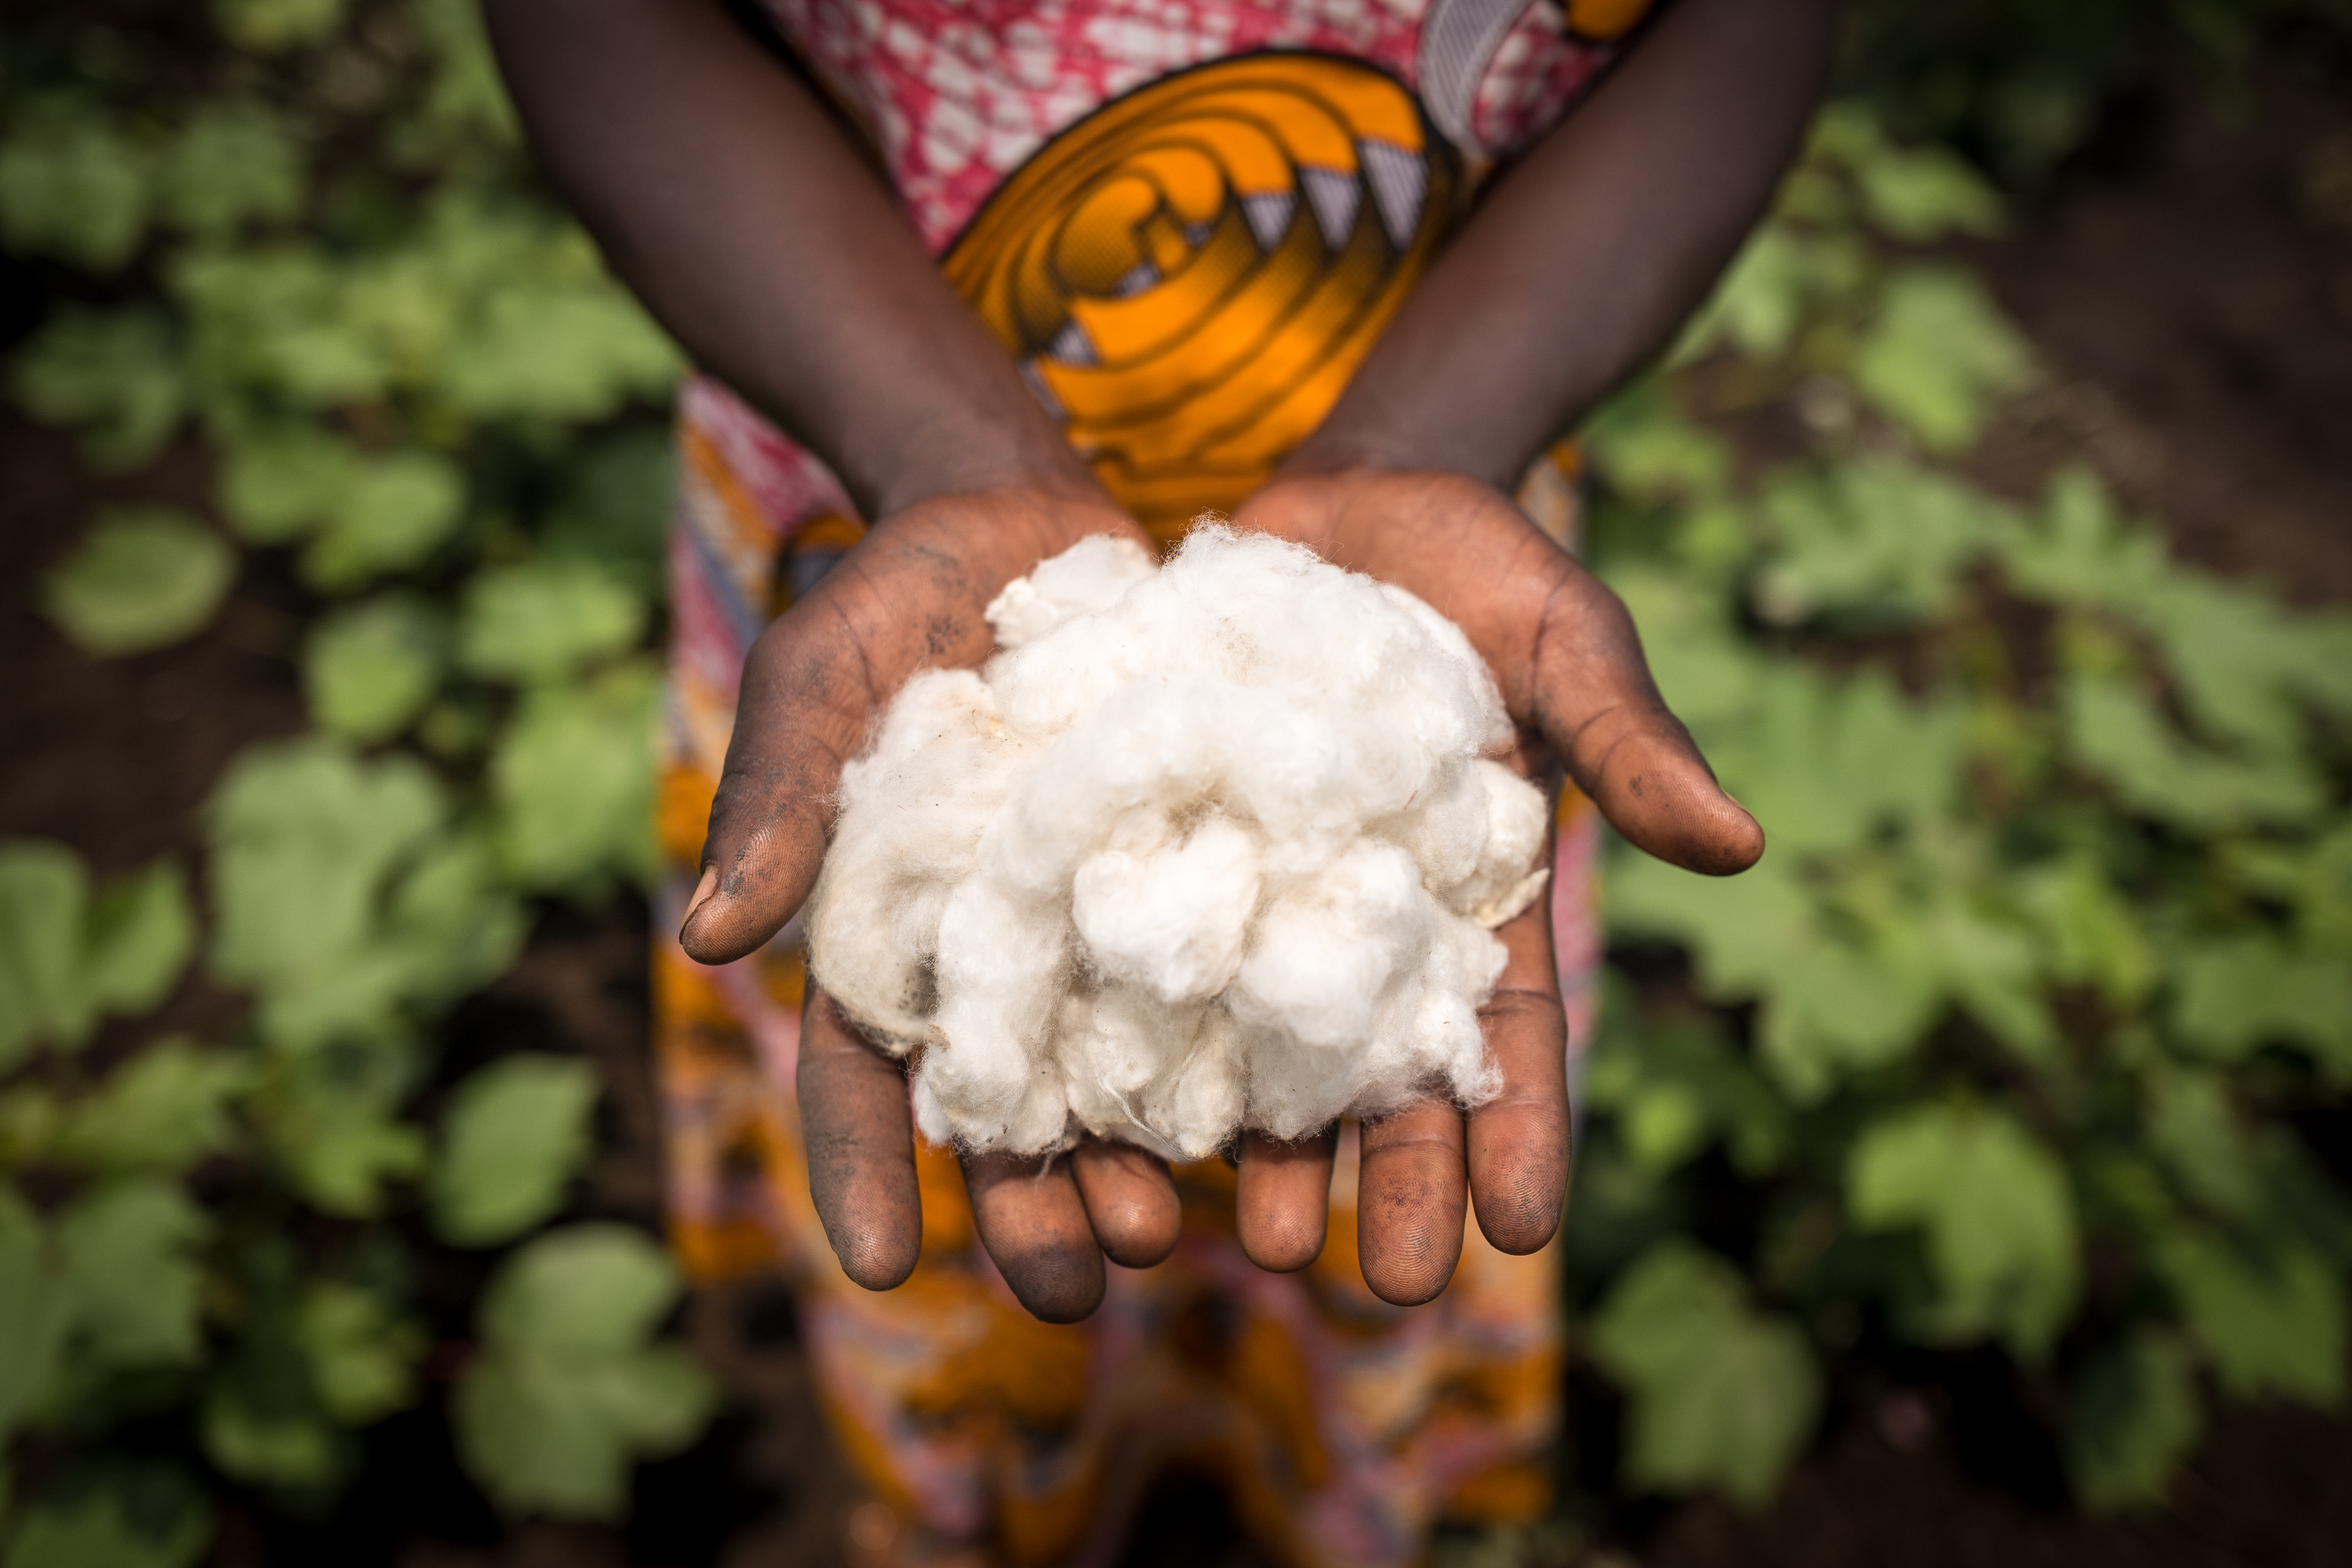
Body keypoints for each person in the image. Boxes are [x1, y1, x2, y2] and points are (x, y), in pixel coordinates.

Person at [485, 1, 1831, 1561]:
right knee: (957, 1196)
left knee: (1372, 1171)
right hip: (862, 505)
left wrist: (1428, 439)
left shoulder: (1395, 753)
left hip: (1451, 519)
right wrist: (933, 444)